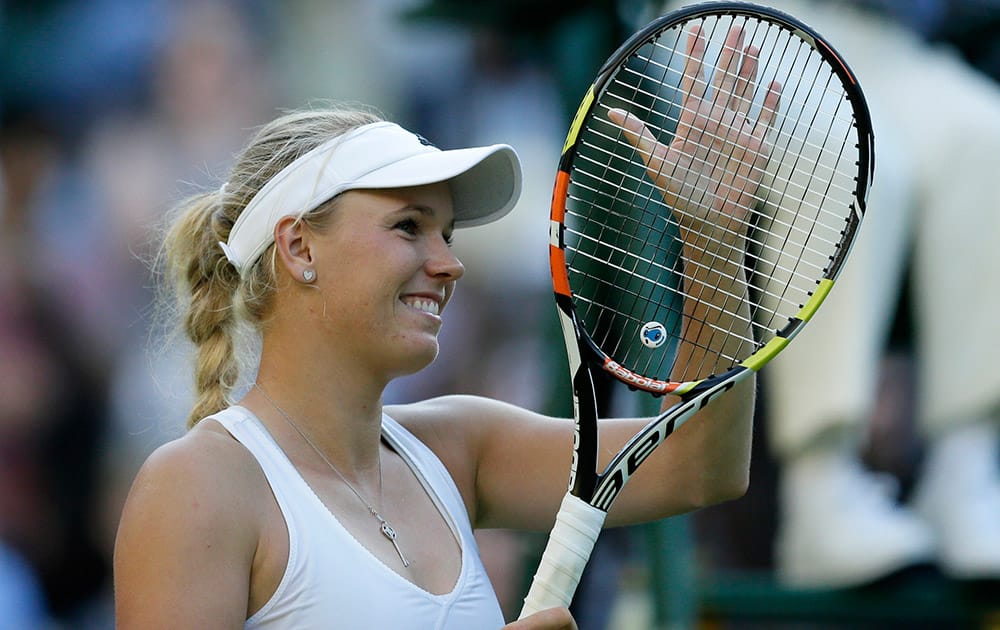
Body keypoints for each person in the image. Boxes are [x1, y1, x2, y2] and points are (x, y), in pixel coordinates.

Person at [113, 27, 773, 627]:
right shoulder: (196, 486)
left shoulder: (461, 448)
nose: (450, 264)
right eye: (409, 226)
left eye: (448, 234)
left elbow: (699, 463)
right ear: (300, 250)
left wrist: (712, 242)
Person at [660, 0, 1000, 589]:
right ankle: (822, 488)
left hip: (882, 34)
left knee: (985, 140)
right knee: (857, 148)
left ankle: (964, 471)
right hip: (733, 19)